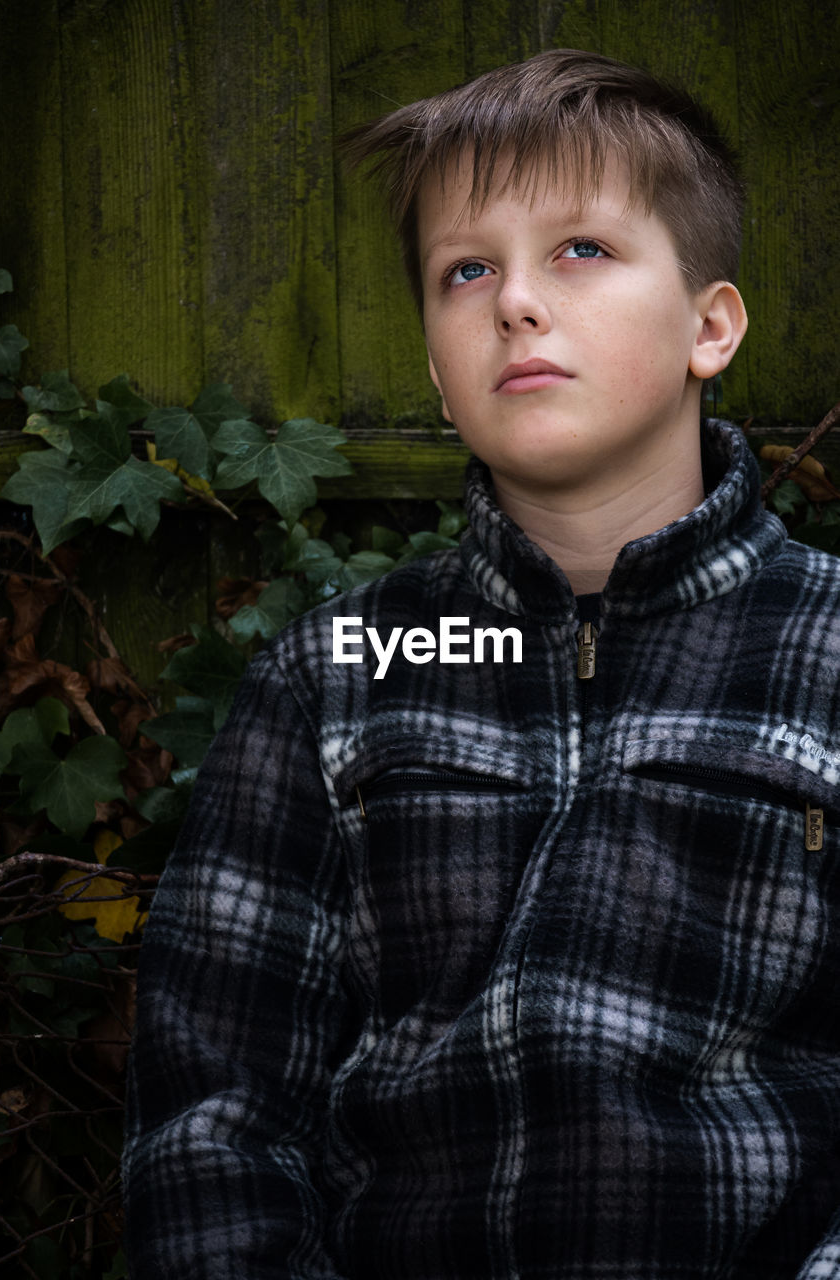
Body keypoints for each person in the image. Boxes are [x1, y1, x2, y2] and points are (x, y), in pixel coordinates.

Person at [122, 48, 840, 1279]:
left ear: (708, 327)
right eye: (467, 270)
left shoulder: (823, 648)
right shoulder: (339, 672)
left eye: (579, 251)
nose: (514, 301)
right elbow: (213, 1109)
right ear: (442, 377)